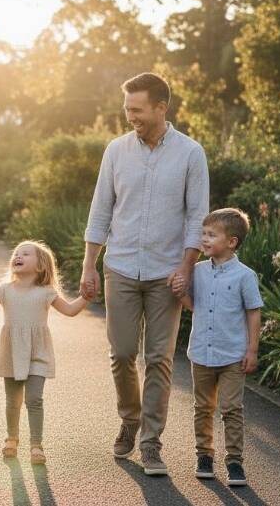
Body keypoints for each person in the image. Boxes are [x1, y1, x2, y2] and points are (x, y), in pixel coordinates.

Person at [81, 72, 209, 475]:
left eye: (136, 109)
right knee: (121, 353)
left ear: (160, 107)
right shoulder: (116, 151)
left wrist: (186, 268)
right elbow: (101, 209)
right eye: (126, 109)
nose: (130, 116)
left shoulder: (190, 153)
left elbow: (197, 216)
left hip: (166, 273)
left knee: (159, 359)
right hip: (119, 265)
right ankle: (129, 419)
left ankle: (151, 443)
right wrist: (89, 264)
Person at [0, 240, 90, 465]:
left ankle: (36, 445)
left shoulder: (46, 292)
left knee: (34, 399)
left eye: (25, 254)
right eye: (16, 253)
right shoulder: (5, 289)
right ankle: (12, 439)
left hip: (38, 353)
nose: (18, 256)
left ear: (41, 266)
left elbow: (70, 310)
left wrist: (86, 298)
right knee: (12, 400)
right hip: (12, 351)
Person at [170, 208, 263, 487]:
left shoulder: (245, 276)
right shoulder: (197, 271)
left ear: (231, 242)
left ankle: (234, 462)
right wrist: (180, 291)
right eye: (203, 234)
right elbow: (193, 304)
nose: (205, 239)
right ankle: (204, 456)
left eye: (211, 235)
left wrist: (252, 350)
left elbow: (253, 312)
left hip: (233, 355)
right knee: (203, 407)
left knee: (232, 408)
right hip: (201, 353)